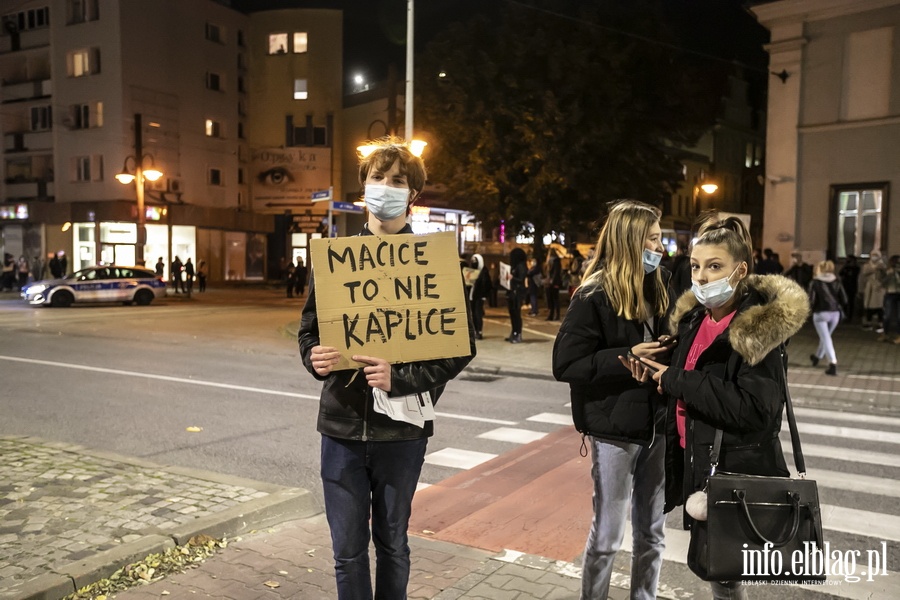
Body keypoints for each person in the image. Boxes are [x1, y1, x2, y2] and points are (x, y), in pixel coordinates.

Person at [298, 138, 475, 600]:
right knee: (347, 552)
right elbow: (308, 331)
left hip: (402, 433)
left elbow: (459, 347)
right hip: (341, 428)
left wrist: (402, 380)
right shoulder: (334, 259)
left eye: (397, 180)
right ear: (364, 187)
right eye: (378, 178)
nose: (385, 187)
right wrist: (314, 358)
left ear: (412, 194)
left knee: (393, 544)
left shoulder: (434, 262)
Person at [622, 217, 809, 600]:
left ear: (740, 270)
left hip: (732, 471)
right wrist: (659, 378)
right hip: (701, 463)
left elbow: (755, 410)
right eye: (695, 266)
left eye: (714, 266)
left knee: (723, 577)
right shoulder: (694, 320)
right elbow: (690, 387)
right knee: (716, 572)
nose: (702, 277)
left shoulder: (754, 330)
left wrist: (677, 381)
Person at [552, 200, 672, 600]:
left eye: (660, 238)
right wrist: (628, 357)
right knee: (607, 537)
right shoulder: (593, 294)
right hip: (615, 430)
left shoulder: (663, 285)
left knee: (652, 535)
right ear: (630, 240)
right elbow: (566, 363)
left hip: (660, 426)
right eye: (653, 239)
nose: (661, 247)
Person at [808, 260, 847, 375]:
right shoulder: (837, 281)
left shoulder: (815, 282)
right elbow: (844, 299)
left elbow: (811, 300)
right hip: (835, 313)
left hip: (821, 314)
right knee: (826, 337)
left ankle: (832, 363)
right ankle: (817, 357)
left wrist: (810, 311)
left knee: (826, 338)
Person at [505, 247, 527, 343]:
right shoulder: (515, 266)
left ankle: (517, 333)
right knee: (513, 313)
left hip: (517, 293)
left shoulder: (521, 266)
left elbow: (521, 279)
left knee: (516, 314)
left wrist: (512, 278)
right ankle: (514, 332)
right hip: (512, 292)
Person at [860, 251, 886, 331]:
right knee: (868, 306)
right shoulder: (867, 265)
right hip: (869, 287)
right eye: (873, 255)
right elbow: (863, 275)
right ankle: (868, 322)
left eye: (876, 255)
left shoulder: (882, 265)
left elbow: (885, 276)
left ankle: (880, 324)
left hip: (879, 287)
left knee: (879, 306)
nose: (874, 257)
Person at [877, 254, 900, 344]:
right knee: (887, 315)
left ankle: (899, 335)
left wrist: (897, 274)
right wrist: (888, 274)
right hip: (890, 293)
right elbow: (883, 283)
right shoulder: (888, 271)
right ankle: (885, 334)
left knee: (899, 316)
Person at [470, 253, 492, 340]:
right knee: (473, 314)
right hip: (472, 295)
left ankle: (479, 331)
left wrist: (484, 295)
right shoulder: (471, 271)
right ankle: (475, 330)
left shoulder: (484, 272)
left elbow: (487, 284)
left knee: (478, 314)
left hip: (479, 296)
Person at [839, 255, 861, 322]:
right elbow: (840, 273)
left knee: (851, 302)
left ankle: (850, 317)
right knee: (844, 301)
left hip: (852, 286)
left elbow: (853, 275)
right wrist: (845, 266)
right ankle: (844, 315)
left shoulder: (856, 268)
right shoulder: (846, 267)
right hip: (845, 286)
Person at [545, 248, 562, 321]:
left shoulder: (555, 261)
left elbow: (556, 273)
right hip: (550, 282)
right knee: (551, 299)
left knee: (554, 299)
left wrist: (553, 281)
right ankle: (552, 315)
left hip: (553, 282)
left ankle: (555, 315)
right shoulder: (553, 261)